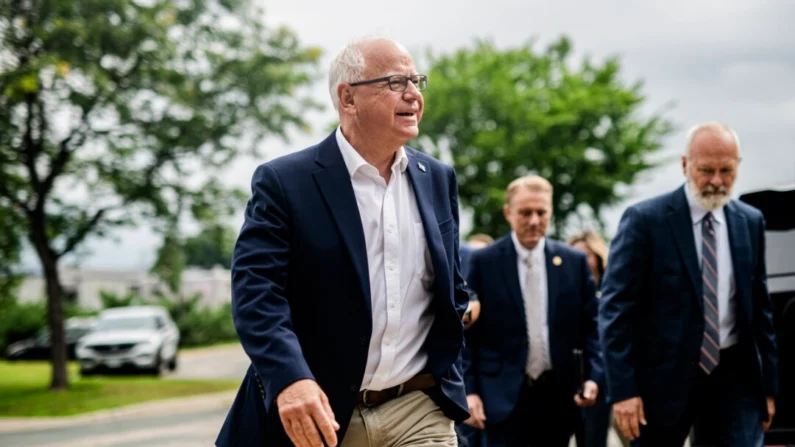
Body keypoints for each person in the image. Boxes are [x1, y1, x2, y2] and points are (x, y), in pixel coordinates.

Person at [215, 36, 471, 447]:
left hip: (418, 410)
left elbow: (450, 287)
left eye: (416, 81)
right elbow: (257, 293)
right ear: (348, 99)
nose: (413, 95)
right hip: (322, 416)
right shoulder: (285, 183)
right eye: (395, 82)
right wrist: (290, 379)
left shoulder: (437, 179)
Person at [599, 122, 779, 446]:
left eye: (726, 170)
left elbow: (760, 312)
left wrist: (767, 388)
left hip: (734, 380)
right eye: (706, 170)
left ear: (738, 165)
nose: (716, 181)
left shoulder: (750, 222)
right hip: (660, 383)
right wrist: (623, 390)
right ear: (685, 165)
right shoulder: (644, 221)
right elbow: (615, 310)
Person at [463, 175, 603, 447]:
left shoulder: (573, 262)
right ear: (508, 213)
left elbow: (592, 326)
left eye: (542, 212)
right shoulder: (484, 261)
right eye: (525, 213)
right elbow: (468, 335)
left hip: (559, 397)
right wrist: (469, 392)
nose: (535, 221)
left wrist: (593, 376)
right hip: (500, 397)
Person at [568, 231, 625, 447]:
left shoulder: (611, 289)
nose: (581, 261)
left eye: (587, 255)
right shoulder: (565, 292)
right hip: (570, 372)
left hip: (602, 374)